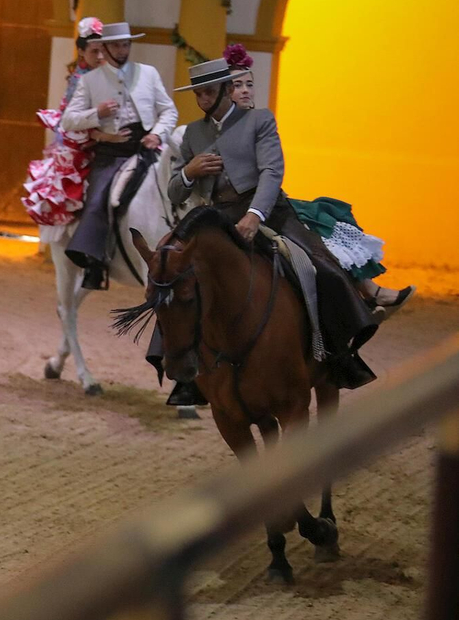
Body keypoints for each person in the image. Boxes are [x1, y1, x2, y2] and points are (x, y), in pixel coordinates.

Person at [167, 55, 379, 394]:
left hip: (269, 210)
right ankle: (182, 369)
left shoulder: (259, 120)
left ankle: (340, 353)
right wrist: (189, 173)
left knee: (323, 268)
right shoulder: (192, 132)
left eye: (209, 93)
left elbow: (272, 172)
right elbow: (174, 191)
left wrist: (255, 215)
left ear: (225, 90)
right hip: (216, 216)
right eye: (199, 95)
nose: (203, 100)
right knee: (170, 275)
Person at [222, 44, 413, 321]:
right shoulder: (211, 129)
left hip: (268, 204)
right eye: (237, 85)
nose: (246, 90)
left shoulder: (260, 121)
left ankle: (367, 295)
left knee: (328, 222)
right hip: (235, 208)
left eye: (249, 84)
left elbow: (272, 171)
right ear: (223, 92)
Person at [61, 22, 177, 289]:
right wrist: (97, 114)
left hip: (145, 147)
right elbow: (69, 120)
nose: (122, 50)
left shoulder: (148, 73)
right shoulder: (90, 81)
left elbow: (168, 110)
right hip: (112, 153)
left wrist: (157, 134)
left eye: (126, 44)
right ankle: (95, 261)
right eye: (116, 45)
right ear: (105, 47)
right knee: (99, 198)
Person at [23, 17, 106, 228]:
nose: (100, 56)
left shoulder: (106, 75)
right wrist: (97, 123)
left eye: (102, 50)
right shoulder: (79, 79)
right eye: (94, 51)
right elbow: (70, 119)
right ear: (82, 52)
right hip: (81, 142)